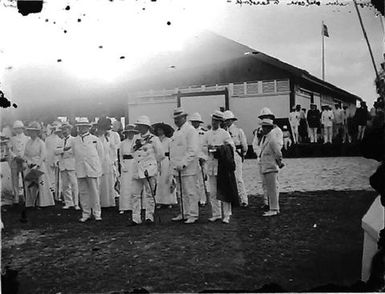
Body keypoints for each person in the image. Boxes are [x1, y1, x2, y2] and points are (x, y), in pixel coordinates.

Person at [202, 110, 235, 224]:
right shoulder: (207, 134)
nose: (214, 123)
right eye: (213, 120)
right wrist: (209, 149)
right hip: (211, 166)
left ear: (220, 122)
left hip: (222, 166)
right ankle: (216, 213)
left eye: (217, 121)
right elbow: (203, 148)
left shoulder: (224, 134)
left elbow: (231, 147)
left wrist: (218, 149)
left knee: (224, 191)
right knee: (212, 192)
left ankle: (227, 214)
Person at [130, 115, 164, 225]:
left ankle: (149, 217)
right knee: (135, 194)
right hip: (137, 169)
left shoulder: (154, 139)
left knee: (150, 194)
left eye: (140, 126)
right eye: (138, 126)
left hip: (149, 170)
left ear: (146, 127)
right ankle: (136, 218)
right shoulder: (136, 138)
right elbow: (132, 151)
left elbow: (160, 154)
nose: (138, 127)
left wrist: (152, 165)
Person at [170, 107, 199, 224]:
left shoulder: (190, 130)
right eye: (175, 119)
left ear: (184, 117)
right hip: (177, 167)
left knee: (190, 192)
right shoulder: (177, 131)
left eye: (178, 118)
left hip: (188, 168)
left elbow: (193, 150)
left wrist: (184, 163)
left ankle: (193, 214)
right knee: (181, 192)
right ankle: (184, 212)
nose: (176, 121)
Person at [71, 118, 104, 222]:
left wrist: (97, 167)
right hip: (80, 169)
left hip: (92, 169)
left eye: (84, 126)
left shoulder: (95, 139)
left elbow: (101, 155)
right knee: (83, 192)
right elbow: (74, 155)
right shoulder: (75, 140)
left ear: (88, 127)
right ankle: (86, 213)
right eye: (80, 126)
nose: (82, 128)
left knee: (94, 191)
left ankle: (97, 213)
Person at [23, 122, 55, 207]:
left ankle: (42, 202)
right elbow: (25, 154)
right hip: (30, 165)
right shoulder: (28, 142)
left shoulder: (41, 142)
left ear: (37, 132)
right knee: (30, 183)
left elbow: (43, 155)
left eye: (33, 131)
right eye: (30, 131)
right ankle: (31, 202)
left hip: (39, 166)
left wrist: (37, 165)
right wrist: (28, 162)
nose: (31, 133)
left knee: (41, 184)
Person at [257, 115, 284, 217]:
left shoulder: (272, 139)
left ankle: (274, 208)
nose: (262, 129)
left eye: (264, 127)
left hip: (271, 167)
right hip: (266, 167)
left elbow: (278, 153)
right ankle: (273, 207)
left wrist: (279, 162)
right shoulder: (265, 138)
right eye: (262, 127)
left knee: (272, 189)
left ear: (269, 128)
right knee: (270, 188)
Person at [223, 110, 249, 207]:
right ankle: (233, 199)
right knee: (228, 178)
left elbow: (245, 146)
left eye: (228, 120)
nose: (227, 122)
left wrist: (242, 155)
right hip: (227, 155)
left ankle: (244, 199)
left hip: (236, 154)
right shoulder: (223, 132)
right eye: (225, 120)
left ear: (232, 120)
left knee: (238, 178)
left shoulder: (238, 131)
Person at [55, 123, 79, 210]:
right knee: (65, 185)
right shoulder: (60, 141)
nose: (64, 131)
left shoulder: (74, 140)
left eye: (66, 129)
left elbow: (74, 152)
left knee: (74, 184)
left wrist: (63, 151)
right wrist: (64, 150)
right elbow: (55, 151)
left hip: (72, 164)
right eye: (63, 129)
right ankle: (69, 202)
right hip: (63, 165)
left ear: (69, 130)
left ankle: (76, 203)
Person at [154, 123, 177, 208]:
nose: (159, 131)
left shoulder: (169, 140)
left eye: (161, 130)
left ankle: (169, 202)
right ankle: (159, 201)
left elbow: (172, 152)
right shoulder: (155, 140)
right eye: (158, 130)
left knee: (167, 180)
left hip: (166, 161)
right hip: (157, 161)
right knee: (159, 181)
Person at [189, 112, 209, 207]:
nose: (194, 123)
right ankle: (196, 198)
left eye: (196, 122)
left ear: (199, 122)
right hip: (192, 159)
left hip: (201, 159)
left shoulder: (204, 133)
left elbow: (205, 147)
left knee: (201, 181)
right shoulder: (189, 132)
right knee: (193, 181)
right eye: (193, 122)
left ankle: (203, 199)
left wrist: (203, 157)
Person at [8, 120, 29, 204]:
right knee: (15, 179)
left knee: (26, 179)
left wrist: (24, 158)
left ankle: (26, 196)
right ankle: (16, 197)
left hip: (24, 161)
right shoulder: (12, 139)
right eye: (16, 129)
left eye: (19, 128)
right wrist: (15, 156)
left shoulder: (27, 138)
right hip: (15, 161)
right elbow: (9, 150)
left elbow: (28, 150)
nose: (18, 130)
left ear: (22, 129)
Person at [119, 124, 138, 214]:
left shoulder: (137, 142)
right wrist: (123, 166)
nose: (130, 134)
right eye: (128, 133)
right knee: (125, 186)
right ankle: (124, 207)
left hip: (134, 164)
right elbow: (120, 156)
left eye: (132, 133)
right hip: (126, 165)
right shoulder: (122, 143)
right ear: (126, 133)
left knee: (134, 185)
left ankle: (135, 206)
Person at [45, 124, 63, 200]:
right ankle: (53, 194)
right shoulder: (48, 139)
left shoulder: (59, 139)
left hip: (53, 159)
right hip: (50, 159)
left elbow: (58, 151)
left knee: (54, 178)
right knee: (52, 177)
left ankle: (56, 195)